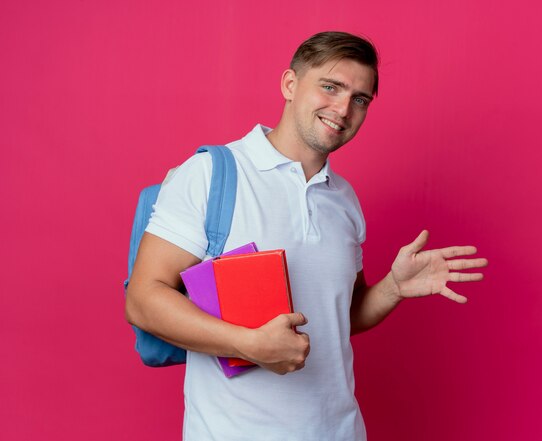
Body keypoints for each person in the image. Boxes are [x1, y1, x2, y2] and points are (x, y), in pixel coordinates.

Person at [126, 31, 487, 441]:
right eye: (330, 87)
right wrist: (249, 344)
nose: (343, 108)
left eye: (360, 99)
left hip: (341, 431)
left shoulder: (345, 201)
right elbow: (142, 299)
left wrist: (393, 288)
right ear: (290, 84)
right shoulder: (211, 174)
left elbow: (337, 319)